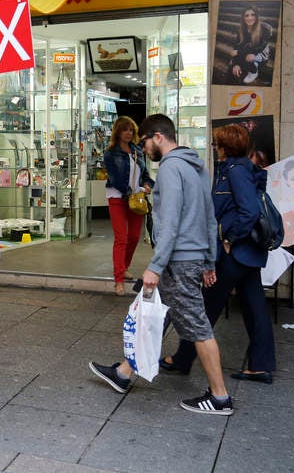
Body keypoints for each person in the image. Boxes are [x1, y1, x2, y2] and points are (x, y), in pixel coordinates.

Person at [89, 114, 233, 415]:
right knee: (158, 314)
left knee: (197, 325)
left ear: (158, 137)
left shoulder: (169, 169)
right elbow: (209, 217)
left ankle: (220, 397)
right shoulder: (197, 166)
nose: (144, 149)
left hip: (178, 260)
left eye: (144, 141)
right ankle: (124, 372)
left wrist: (155, 266)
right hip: (191, 258)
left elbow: (170, 224)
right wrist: (208, 261)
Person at [160, 124, 276, 383]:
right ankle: (260, 365)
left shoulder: (235, 172)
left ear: (225, 147)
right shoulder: (241, 169)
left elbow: (249, 212)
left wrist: (229, 240)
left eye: (216, 144)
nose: (214, 148)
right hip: (247, 255)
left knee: (204, 307)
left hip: (235, 254)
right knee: (255, 307)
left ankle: (183, 358)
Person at [103, 116, 154, 296]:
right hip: (118, 197)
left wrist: (147, 184)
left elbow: (145, 174)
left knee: (133, 237)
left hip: (136, 198)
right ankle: (118, 280)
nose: (128, 133)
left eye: (131, 130)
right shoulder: (110, 153)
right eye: (125, 129)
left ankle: (124, 267)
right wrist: (134, 190)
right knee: (121, 238)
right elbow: (116, 179)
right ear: (118, 131)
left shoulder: (137, 151)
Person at [228, 5, 273, 85]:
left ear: (256, 16)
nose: (249, 18)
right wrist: (236, 64)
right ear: (243, 18)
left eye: (252, 15)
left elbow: (259, 48)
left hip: (260, 52)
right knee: (232, 63)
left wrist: (238, 53)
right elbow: (237, 46)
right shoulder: (241, 30)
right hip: (248, 49)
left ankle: (253, 70)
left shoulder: (265, 28)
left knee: (249, 57)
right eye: (247, 15)